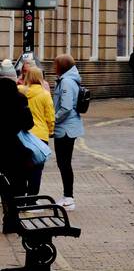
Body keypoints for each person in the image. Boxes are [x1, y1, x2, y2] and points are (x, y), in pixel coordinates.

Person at [0, 74, 34, 232]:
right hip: (14, 149)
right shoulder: (19, 98)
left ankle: (9, 218)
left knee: (3, 186)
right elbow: (29, 123)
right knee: (16, 185)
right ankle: (11, 221)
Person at [52, 54, 85, 210]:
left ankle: (69, 198)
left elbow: (65, 107)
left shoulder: (65, 82)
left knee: (64, 163)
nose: (54, 67)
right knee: (64, 163)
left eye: (56, 64)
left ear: (62, 66)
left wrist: (52, 120)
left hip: (65, 129)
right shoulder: (69, 80)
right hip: (68, 128)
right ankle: (67, 196)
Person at [18, 62, 54, 197]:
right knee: (37, 168)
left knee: (21, 168)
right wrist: (51, 131)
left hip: (22, 135)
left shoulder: (20, 90)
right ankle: (32, 200)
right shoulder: (45, 95)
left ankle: (20, 198)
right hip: (40, 136)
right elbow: (50, 116)